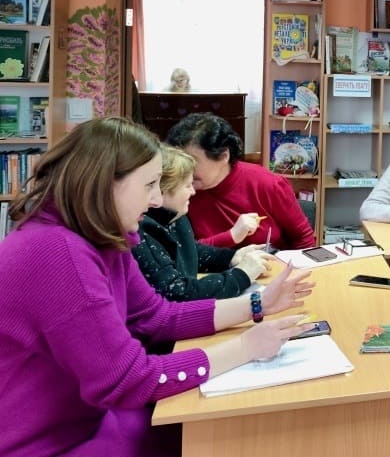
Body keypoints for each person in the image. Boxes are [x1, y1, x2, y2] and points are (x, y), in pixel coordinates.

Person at [0, 117, 315, 457]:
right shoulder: (58, 254)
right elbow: (129, 379)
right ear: (105, 182)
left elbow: (156, 316)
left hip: (89, 420)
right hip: (48, 443)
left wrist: (257, 305)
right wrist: (246, 347)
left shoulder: (102, 233)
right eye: (149, 185)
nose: (155, 200)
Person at [134, 145, 275, 301]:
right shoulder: (142, 230)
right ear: (163, 191)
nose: (193, 191)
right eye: (187, 186)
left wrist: (231, 257)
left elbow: (191, 251)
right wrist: (241, 275)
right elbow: (177, 292)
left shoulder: (175, 216)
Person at [166, 113, 315, 250]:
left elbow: (303, 238)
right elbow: (182, 252)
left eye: (192, 161)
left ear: (224, 156)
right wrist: (232, 236)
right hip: (211, 270)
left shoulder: (267, 184)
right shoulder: (176, 190)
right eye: (180, 161)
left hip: (271, 267)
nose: (184, 170)